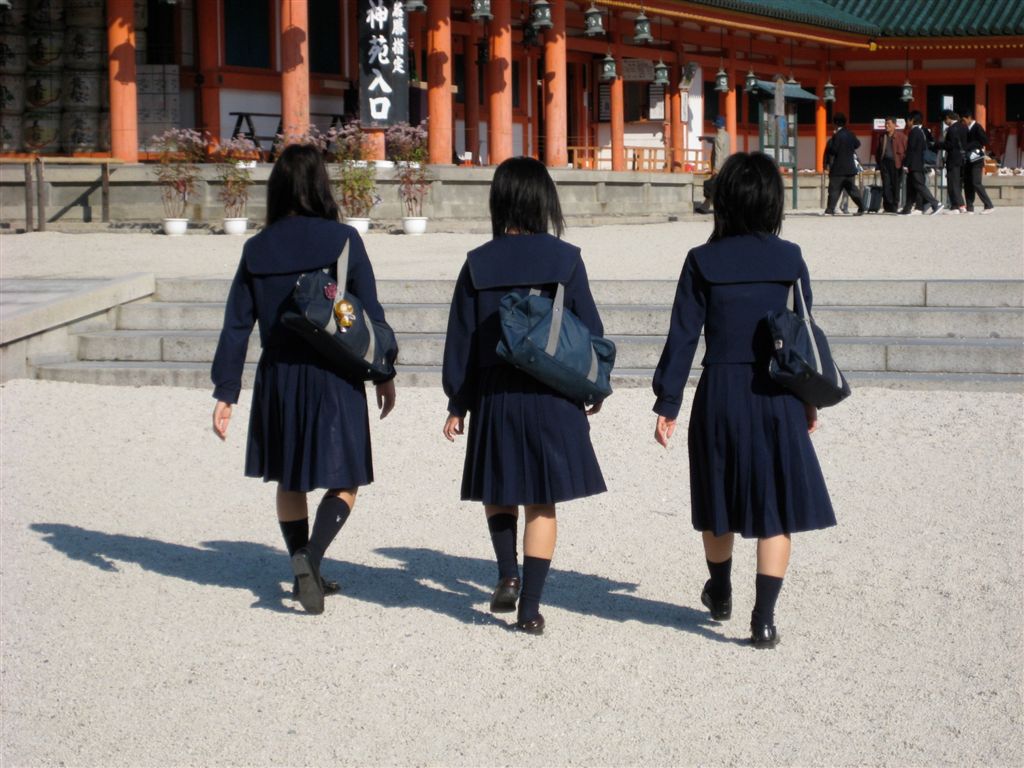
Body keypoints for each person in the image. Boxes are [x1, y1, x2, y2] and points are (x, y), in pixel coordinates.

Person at [652, 152, 837, 649]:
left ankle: (721, 588)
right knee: (774, 504)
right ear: (772, 202)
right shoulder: (790, 258)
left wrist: (668, 403)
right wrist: (809, 399)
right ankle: (765, 618)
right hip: (777, 391)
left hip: (720, 391)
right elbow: (801, 336)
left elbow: (684, 336)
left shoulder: (701, 260)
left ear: (725, 201)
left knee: (719, 496)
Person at [210, 143, 397, 615]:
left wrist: (226, 392)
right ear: (321, 186)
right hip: (335, 372)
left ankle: (302, 562)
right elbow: (368, 316)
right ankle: (310, 560)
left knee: (290, 479)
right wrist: (384, 374)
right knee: (347, 477)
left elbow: (237, 324)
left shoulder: (257, 248)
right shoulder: (343, 241)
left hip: (279, 376)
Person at [442, 156, 607, 636]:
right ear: (543, 200)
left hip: (496, 393)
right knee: (542, 501)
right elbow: (589, 329)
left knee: (499, 488)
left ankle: (506, 572)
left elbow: (464, 340)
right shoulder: (566, 258)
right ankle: (530, 608)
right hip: (553, 391)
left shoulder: (478, 261)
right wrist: (591, 388)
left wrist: (459, 401)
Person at [901, 111, 943, 216]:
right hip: (919, 163)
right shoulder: (921, 132)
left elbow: (911, 150)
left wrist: (906, 164)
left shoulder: (914, 132)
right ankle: (907, 208)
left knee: (919, 185)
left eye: (908, 120)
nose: (907, 122)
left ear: (912, 120)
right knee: (910, 187)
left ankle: (935, 203)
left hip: (914, 164)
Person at [823, 113, 864, 215]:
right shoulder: (851, 134)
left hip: (838, 168)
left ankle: (830, 209)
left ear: (835, 123)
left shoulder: (837, 135)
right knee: (853, 190)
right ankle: (862, 207)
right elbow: (857, 144)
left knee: (834, 190)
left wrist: (833, 138)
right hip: (850, 167)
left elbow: (833, 150)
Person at [694, 116, 730, 214]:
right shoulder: (726, 135)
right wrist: (705, 138)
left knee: (713, 187)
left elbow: (719, 154)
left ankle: (721, 208)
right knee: (716, 187)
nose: (713, 126)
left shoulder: (719, 138)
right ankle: (705, 207)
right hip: (726, 165)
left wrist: (716, 169)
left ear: (716, 125)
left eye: (714, 124)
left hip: (719, 166)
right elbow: (716, 140)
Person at [961, 110, 995, 214]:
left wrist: (970, 145)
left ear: (969, 118)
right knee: (967, 183)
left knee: (976, 182)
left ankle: (988, 205)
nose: (963, 122)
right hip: (968, 159)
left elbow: (984, 141)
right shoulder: (966, 128)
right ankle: (970, 207)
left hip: (976, 159)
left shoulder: (977, 127)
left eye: (964, 120)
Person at [874, 116, 907, 213]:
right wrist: (879, 162)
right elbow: (878, 150)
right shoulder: (882, 136)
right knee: (886, 185)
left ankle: (894, 206)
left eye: (888, 123)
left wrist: (904, 162)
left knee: (895, 185)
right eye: (885, 124)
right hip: (885, 163)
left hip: (896, 163)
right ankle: (887, 206)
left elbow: (906, 150)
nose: (886, 125)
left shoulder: (902, 136)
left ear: (894, 125)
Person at [939, 110, 968, 214]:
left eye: (944, 120)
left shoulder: (951, 129)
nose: (944, 122)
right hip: (962, 159)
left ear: (948, 118)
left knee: (952, 183)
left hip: (953, 159)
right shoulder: (964, 127)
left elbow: (950, 145)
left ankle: (958, 206)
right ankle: (957, 205)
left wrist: (940, 145)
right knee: (958, 183)